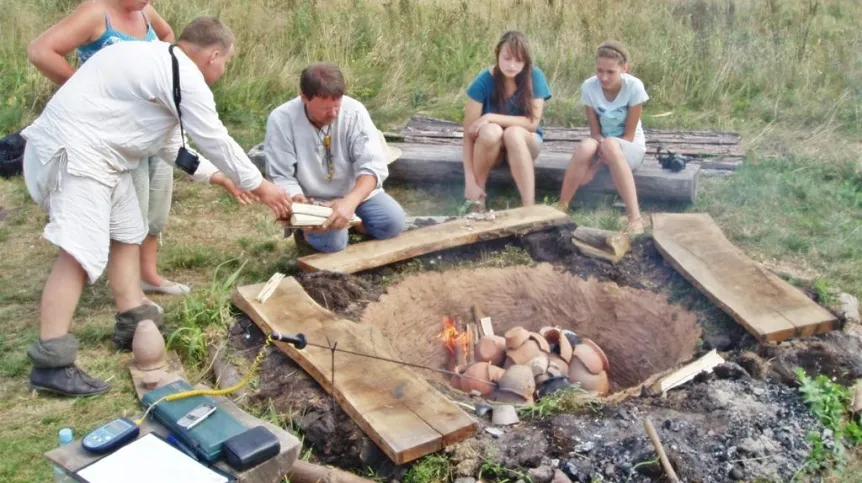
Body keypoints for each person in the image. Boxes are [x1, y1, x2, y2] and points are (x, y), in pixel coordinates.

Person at [21, 16, 291, 397]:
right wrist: (260, 186)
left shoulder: (157, 66)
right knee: (79, 253)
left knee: (128, 231)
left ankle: (133, 319)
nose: (224, 69)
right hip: (75, 153)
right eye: (226, 62)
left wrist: (220, 176)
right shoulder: (182, 75)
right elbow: (214, 137)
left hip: (103, 155)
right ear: (214, 55)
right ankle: (52, 361)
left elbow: (170, 146)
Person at [27, 0, 246, 296]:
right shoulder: (95, 12)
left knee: (153, 210)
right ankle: (115, 291)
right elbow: (40, 51)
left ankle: (145, 279)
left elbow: (172, 42)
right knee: (128, 218)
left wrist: (169, 75)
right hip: (109, 135)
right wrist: (88, 87)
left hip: (152, 123)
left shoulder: (145, 11)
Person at [264, 62, 405, 253]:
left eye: (337, 106)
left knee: (393, 222)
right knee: (333, 243)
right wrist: (296, 198)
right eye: (324, 108)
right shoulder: (281, 119)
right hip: (315, 200)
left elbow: (372, 167)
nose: (333, 113)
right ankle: (309, 232)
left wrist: (350, 201)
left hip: (355, 194)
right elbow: (281, 175)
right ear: (304, 97)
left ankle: (353, 222)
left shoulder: (355, 112)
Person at [559, 41, 649, 234]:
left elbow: (629, 135)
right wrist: (593, 157)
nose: (603, 77)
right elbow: (595, 132)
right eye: (599, 71)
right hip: (603, 144)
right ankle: (562, 206)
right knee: (585, 146)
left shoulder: (634, 87)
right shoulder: (589, 87)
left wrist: (595, 166)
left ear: (624, 68)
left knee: (610, 144)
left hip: (629, 148)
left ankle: (634, 217)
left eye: (610, 72)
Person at [462, 31, 552, 211]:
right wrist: (469, 180)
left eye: (519, 60)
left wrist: (489, 117)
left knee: (513, 132)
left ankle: (529, 207)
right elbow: (468, 135)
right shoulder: (483, 81)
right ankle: (477, 200)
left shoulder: (534, 76)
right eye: (507, 58)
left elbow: (532, 123)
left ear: (526, 61)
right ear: (497, 54)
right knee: (490, 131)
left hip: (525, 145)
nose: (512, 65)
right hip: (491, 149)